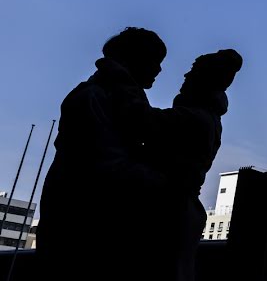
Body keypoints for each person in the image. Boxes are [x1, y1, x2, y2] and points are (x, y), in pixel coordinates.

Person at [37, 27, 169, 281]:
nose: (159, 70)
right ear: (133, 59)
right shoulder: (94, 97)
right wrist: (165, 180)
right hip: (81, 229)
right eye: (155, 61)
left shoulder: (119, 100)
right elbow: (103, 167)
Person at [139, 49, 242, 281]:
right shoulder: (203, 118)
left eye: (193, 73)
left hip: (168, 212)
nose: (185, 75)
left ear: (204, 81)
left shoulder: (194, 119)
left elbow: (139, 118)